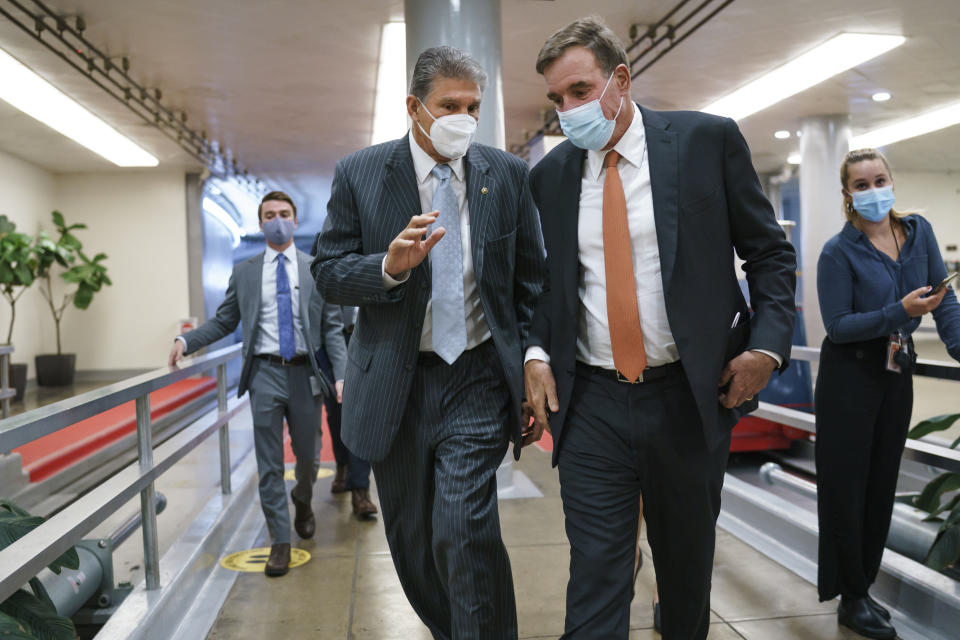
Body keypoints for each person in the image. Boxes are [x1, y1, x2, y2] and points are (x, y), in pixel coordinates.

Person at [523, 18, 797, 640]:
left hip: (687, 397)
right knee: (595, 575)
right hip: (590, 401)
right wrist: (536, 351)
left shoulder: (706, 142)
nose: (567, 110)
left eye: (580, 91)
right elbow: (546, 287)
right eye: (557, 100)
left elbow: (770, 254)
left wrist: (767, 347)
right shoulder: (552, 177)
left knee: (684, 574)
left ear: (620, 79)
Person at [313, 45, 545, 640]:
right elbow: (328, 270)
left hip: (475, 377)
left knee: (463, 529)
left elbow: (530, 283)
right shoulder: (361, 173)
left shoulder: (507, 175)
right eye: (450, 105)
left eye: (473, 105)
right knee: (414, 547)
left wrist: (530, 365)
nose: (464, 118)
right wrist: (387, 268)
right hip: (396, 382)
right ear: (415, 106)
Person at [815, 148, 960, 639]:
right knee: (846, 490)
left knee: (880, 488)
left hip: (896, 375)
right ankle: (849, 595)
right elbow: (838, 327)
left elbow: (945, 298)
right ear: (847, 194)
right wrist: (898, 311)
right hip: (848, 378)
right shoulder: (839, 251)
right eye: (861, 184)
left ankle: (863, 588)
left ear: (892, 181)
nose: (873, 190)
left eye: (880, 179)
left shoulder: (918, 232)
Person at [169, 191, 347, 577]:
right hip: (265, 373)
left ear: (295, 221)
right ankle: (279, 542)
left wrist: (341, 375)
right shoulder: (246, 272)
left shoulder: (316, 269)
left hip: (305, 373)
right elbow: (224, 321)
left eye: (284, 214)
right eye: (269, 215)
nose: (277, 220)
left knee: (310, 458)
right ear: (260, 222)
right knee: (269, 463)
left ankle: (303, 498)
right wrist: (187, 341)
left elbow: (331, 328)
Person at [314, 303, 376, 518]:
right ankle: (342, 465)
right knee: (336, 411)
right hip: (334, 338)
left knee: (362, 415)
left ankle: (360, 491)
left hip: (371, 338)